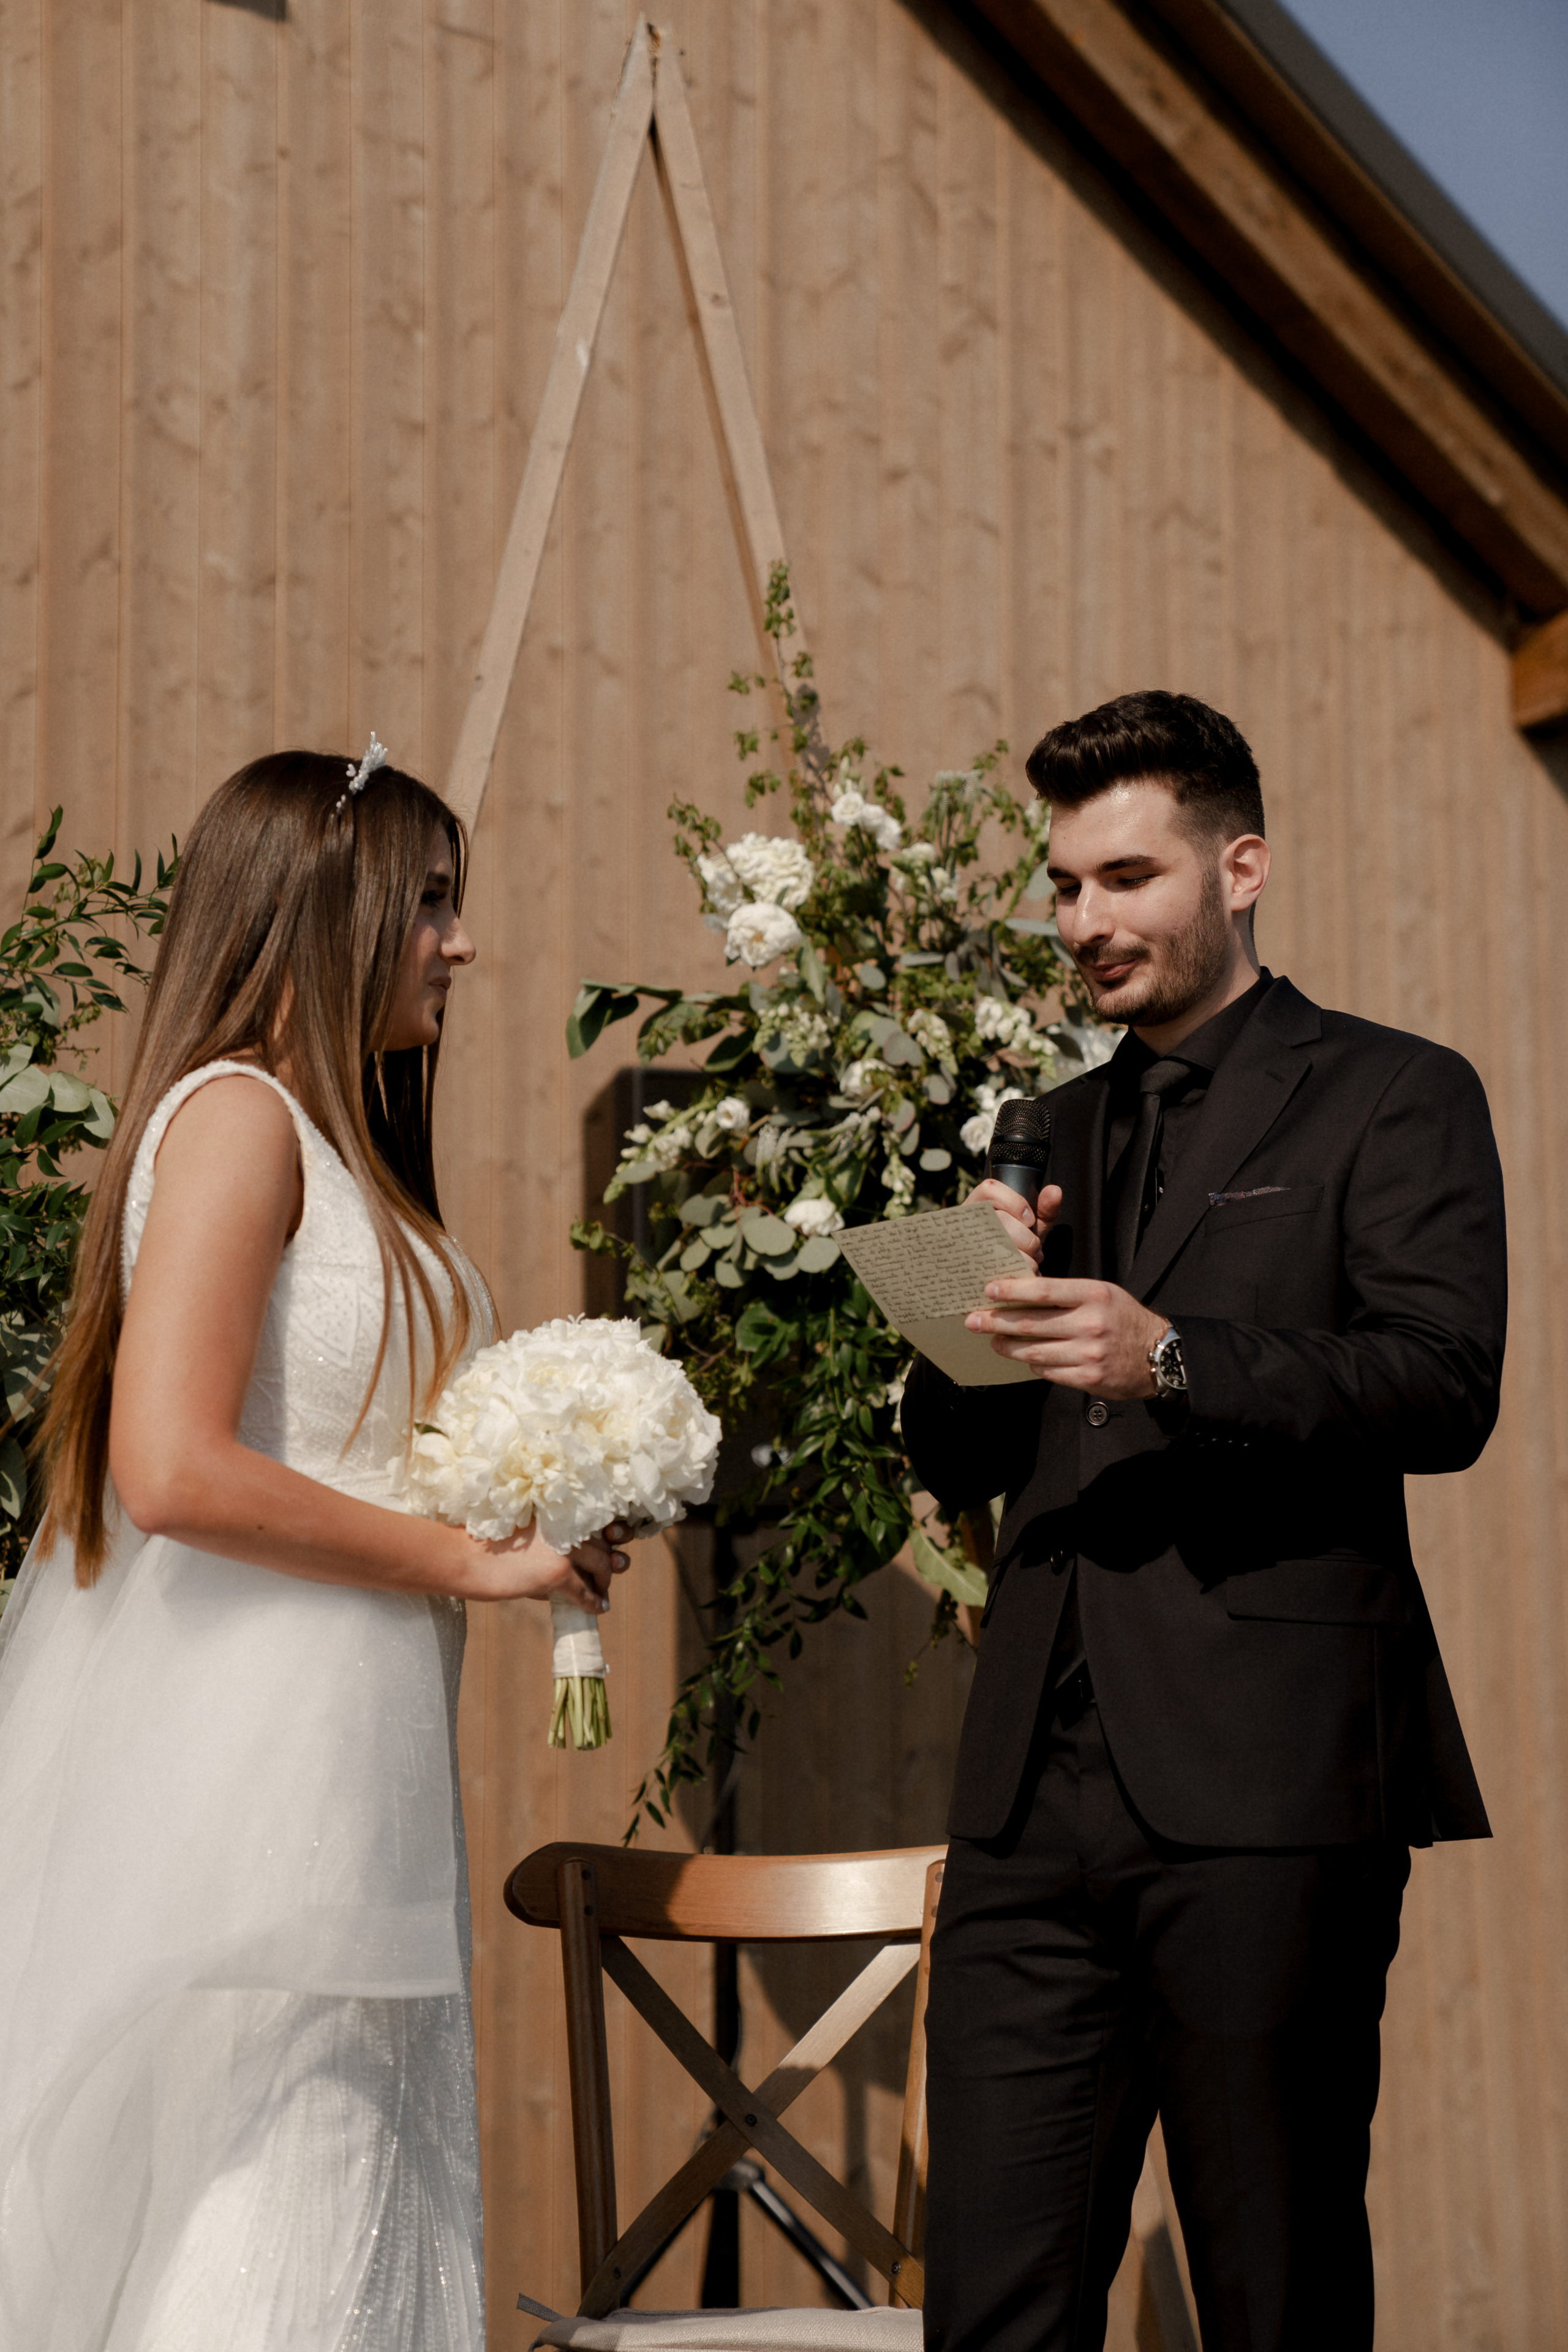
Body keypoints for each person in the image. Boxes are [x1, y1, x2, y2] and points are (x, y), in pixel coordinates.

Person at [0, 747, 630, 2351]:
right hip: (257, 1748)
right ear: (323, 908)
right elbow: (169, 1468)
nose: (460, 942)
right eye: (429, 903)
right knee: (278, 2162)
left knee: (353, 2162)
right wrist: (461, 1562)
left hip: (360, 1742)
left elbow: (333, 1442)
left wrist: (531, 1508)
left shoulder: (343, 1155)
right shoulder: (238, 1121)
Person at [903, 692, 1506, 2352]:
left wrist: (1173, 1356)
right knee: (992, 2301)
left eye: (1127, 878)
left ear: (1240, 868)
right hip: (1030, 1797)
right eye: (1066, 886)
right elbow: (951, 1451)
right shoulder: (1046, 1128)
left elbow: (1444, 1384)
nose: (1085, 922)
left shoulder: (1395, 1091)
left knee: (1271, 2288)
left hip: (1269, 1779)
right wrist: (963, 1299)